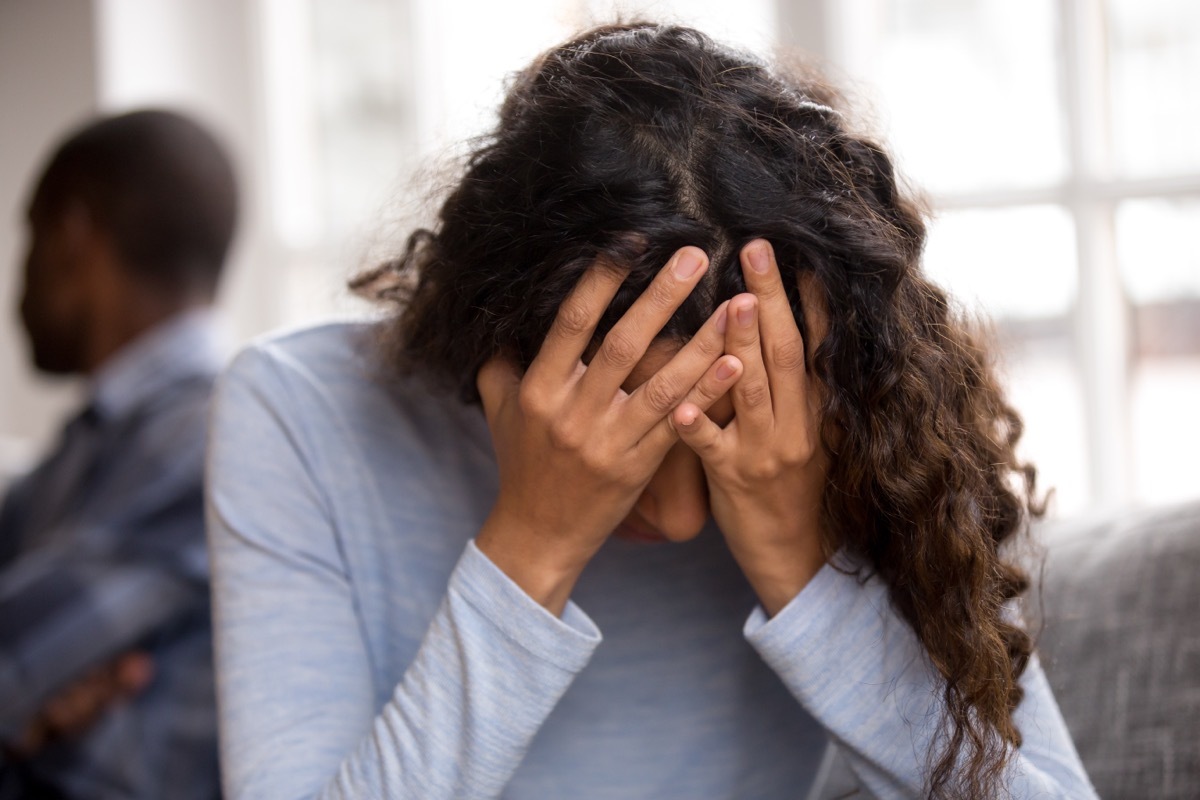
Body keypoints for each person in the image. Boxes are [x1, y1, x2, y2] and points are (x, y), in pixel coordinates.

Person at [206, 23, 1096, 799]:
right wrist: (533, 547)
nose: (675, 519)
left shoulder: (876, 413)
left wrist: (804, 572)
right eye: (619, 430)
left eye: (725, 430)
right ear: (497, 340)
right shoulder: (295, 412)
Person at [0, 109, 236, 799]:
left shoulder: (203, 433)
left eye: (29, 239)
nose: (17, 280)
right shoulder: (98, 437)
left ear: (73, 239)